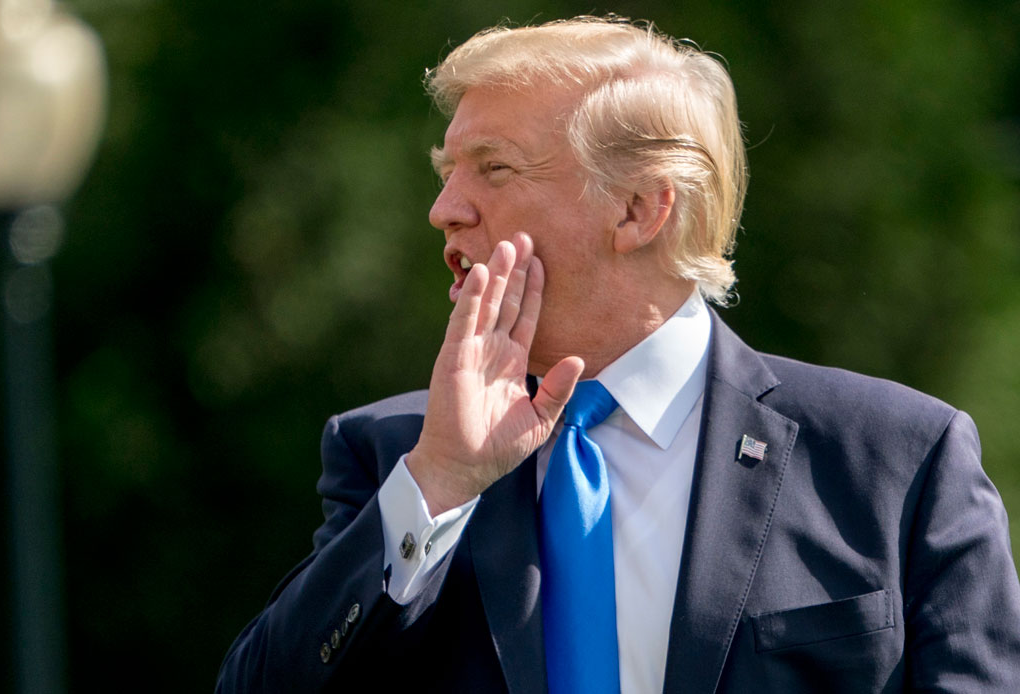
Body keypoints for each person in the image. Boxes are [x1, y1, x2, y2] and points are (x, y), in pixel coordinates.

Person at [216, 16, 1020, 693]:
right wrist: (441, 482)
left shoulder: (900, 459)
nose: (444, 210)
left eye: (492, 168)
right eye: (447, 172)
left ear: (638, 209)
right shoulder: (392, 457)